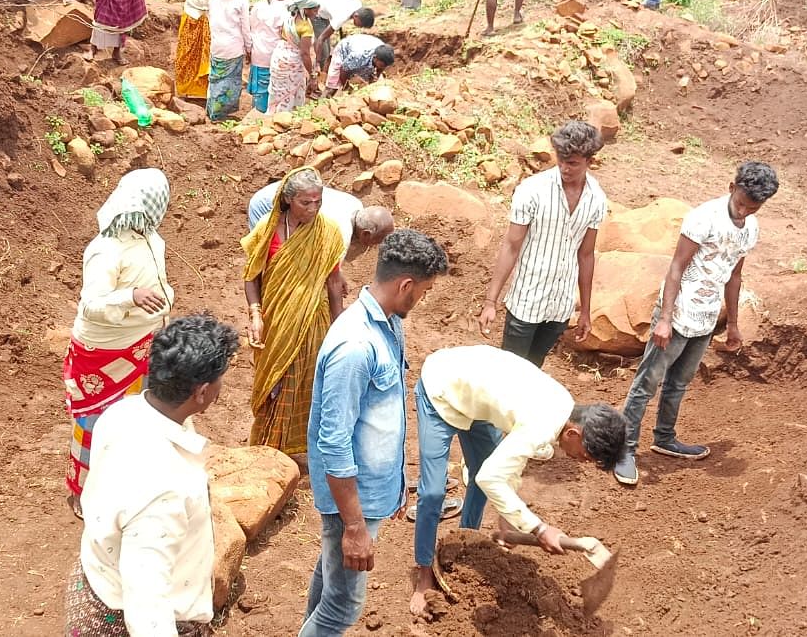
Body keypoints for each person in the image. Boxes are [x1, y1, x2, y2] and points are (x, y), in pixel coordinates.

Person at [408, 345, 628, 617]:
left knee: (481, 474)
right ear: (574, 433)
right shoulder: (544, 424)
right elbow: (493, 477)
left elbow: (508, 465)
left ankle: (467, 541)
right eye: (585, 456)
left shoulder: (564, 407)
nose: (581, 461)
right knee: (432, 493)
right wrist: (538, 528)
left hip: (477, 401)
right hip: (441, 391)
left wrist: (507, 520)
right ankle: (424, 573)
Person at [302, 230, 449, 637]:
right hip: (352, 499)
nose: (422, 299)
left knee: (331, 580)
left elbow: (383, 418)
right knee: (343, 606)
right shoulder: (355, 345)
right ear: (406, 285)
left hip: (370, 491)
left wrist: (396, 485)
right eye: (424, 290)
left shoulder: (387, 324)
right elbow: (334, 441)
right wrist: (354, 526)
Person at [65, 314, 239, 637]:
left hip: (95, 587)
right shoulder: (166, 489)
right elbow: (147, 604)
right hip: (129, 619)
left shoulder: (122, 413)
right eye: (220, 379)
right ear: (201, 392)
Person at [614, 162, 778, 486]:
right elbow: (676, 267)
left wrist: (732, 324)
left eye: (753, 207)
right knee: (647, 383)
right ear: (732, 188)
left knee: (679, 383)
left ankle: (664, 438)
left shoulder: (751, 228)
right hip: (677, 313)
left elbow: (734, 276)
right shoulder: (703, 218)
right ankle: (624, 449)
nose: (744, 210)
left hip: (705, 316)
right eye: (741, 202)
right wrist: (664, 319)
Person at [63, 169, 175, 518]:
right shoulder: (105, 249)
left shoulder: (152, 240)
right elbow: (91, 305)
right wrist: (131, 297)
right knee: (94, 422)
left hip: (142, 344)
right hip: (103, 352)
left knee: (135, 416)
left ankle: (123, 482)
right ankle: (83, 493)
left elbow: (159, 282)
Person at [478, 120, 607, 368]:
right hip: (527, 300)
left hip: (560, 304)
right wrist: (490, 302)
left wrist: (586, 311)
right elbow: (511, 246)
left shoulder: (597, 199)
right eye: (560, 160)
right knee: (509, 371)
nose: (564, 168)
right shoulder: (532, 191)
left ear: (590, 162)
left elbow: (586, 255)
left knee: (534, 369)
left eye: (572, 163)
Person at [242, 168, 349, 457]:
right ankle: (267, 448)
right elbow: (252, 276)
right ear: (288, 200)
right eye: (306, 202)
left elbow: (333, 280)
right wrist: (255, 314)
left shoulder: (328, 232)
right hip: (275, 323)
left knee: (305, 382)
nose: (313, 208)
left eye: (318, 201)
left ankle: (297, 450)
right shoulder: (267, 229)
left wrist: (339, 325)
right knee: (273, 381)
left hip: (314, 321)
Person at [247, 180, 394, 268]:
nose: (374, 246)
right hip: (268, 204)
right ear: (366, 234)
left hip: (283, 192)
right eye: (376, 242)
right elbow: (329, 274)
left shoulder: (356, 204)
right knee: (273, 261)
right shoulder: (341, 232)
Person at [207, 0, 252, 122]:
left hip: (216, 45)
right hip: (233, 47)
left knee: (215, 78)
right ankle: (221, 114)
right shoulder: (241, 0)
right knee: (230, 81)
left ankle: (212, 109)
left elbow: (211, 20)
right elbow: (245, 28)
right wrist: (249, 48)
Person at [176, 0, 220, 101]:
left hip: (208, 22)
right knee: (186, 55)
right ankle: (184, 90)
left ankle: (202, 93)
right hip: (191, 19)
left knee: (206, 57)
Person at [249, 0, 291, 114]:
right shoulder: (284, 10)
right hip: (275, 52)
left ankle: (256, 111)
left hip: (257, 51)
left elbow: (251, 26)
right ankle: (269, 113)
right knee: (273, 84)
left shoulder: (257, 6)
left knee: (260, 84)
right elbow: (285, 33)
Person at [323, 17, 394, 96]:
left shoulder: (384, 52)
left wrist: (375, 78)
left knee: (364, 79)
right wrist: (346, 88)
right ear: (375, 57)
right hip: (343, 50)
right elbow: (343, 69)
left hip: (361, 46)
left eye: (385, 66)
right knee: (333, 84)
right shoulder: (359, 56)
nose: (382, 67)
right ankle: (325, 98)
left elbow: (381, 68)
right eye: (381, 65)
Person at [272, 0, 319, 112]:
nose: (317, 13)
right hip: (292, 63)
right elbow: (305, 54)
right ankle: (285, 121)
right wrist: (312, 75)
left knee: (278, 92)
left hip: (279, 58)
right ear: (305, 9)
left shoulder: (288, 19)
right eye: (314, 10)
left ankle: (274, 117)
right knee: (290, 95)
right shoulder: (305, 27)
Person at [300, 0, 364, 75]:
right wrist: (317, 62)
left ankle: (326, 67)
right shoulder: (341, 17)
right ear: (357, 16)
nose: (360, 26)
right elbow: (321, 39)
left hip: (326, 5)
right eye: (360, 24)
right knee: (324, 49)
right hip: (317, 12)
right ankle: (323, 73)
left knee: (327, 43)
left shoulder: (358, 5)